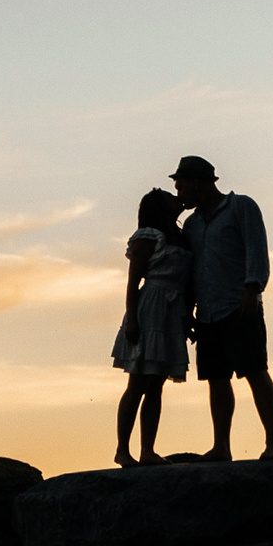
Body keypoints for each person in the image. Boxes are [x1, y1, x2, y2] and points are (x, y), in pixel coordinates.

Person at [171, 154, 273, 461]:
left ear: (196, 183)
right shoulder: (191, 225)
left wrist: (253, 289)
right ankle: (222, 446)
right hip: (207, 311)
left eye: (181, 187)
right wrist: (189, 311)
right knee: (216, 379)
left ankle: (272, 441)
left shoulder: (241, 207)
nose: (179, 193)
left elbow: (256, 249)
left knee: (256, 371)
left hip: (239, 305)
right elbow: (191, 271)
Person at [110, 187, 193, 466]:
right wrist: (132, 318)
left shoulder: (179, 238)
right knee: (137, 383)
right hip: (151, 308)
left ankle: (148, 450)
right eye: (171, 197)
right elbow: (133, 282)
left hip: (172, 309)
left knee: (156, 385)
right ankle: (123, 449)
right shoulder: (148, 237)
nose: (177, 199)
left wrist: (187, 316)